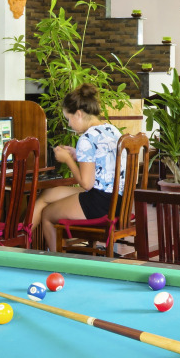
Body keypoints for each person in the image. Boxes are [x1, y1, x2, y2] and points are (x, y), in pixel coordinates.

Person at [33, 84, 123, 251]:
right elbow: (103, 159)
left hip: (101, 203)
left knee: (47, 215)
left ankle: (58, 261)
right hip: (118, 201)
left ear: (79, 114)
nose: (69, 124)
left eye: (69, 118)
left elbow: (86, 184)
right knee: (47, 195)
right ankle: (22, 242)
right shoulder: (111, 129)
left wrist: (68, 160)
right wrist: (77, 154)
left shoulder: (86, 138)